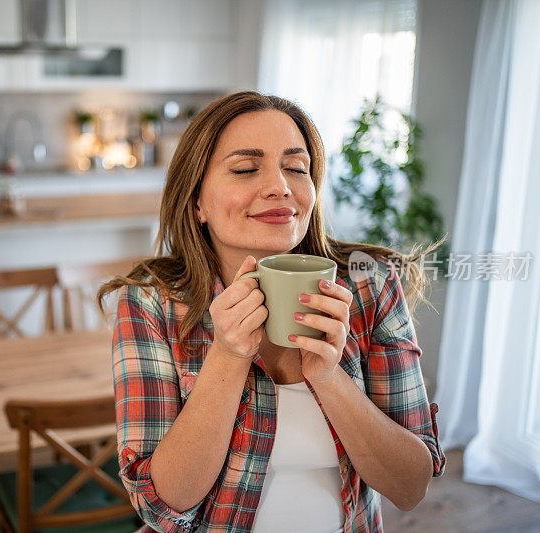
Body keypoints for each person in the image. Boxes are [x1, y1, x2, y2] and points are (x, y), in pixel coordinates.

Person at [96, 91, 447, 533]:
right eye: (245, 168)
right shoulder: (151, 302)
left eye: (297, 168)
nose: (280, 186)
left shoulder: (369, 286)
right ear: (197, 202)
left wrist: (328, 377)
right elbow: (163, 508)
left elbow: (410, 486)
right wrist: (227, 356)